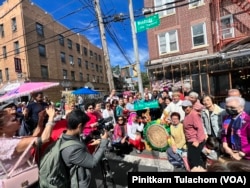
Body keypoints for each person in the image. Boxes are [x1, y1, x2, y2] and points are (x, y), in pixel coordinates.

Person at [0, 106, 56, 184]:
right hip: (18, 183)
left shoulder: (9, 139)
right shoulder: (7, 144)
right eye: (14, 120)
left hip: (25, 180)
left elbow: (34, 136)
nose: (18, 120)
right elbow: (43, 139)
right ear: (1, 128)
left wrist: (41, 120)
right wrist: (51, 117)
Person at [57, 109, 109, 187]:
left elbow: (77, 144)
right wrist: (104, 142)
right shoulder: (72, 149)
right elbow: (93, 162)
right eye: (84, 126)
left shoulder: (66, 136)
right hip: (81, 183)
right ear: (79, 126)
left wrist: (88, 138)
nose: (84, 128)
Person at [221, 96, 250, 160]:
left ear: (241, 108)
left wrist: (242, 153)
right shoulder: (226, 118)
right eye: (227, 107)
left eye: (232, 107)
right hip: (231, 153)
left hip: (245, 155)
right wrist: (225, 145)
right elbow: (224, 133)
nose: (229, 109)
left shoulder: (247, 121)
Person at [182, 100, 206, 170]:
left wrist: (198, 141)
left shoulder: (194, 115)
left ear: (191, 107)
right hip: (190, 140)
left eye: (187, 107)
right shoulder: (187, 114)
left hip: (195, 140)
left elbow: (200, 128)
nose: (185, 109)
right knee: (193, 159)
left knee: (194, 161)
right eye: (184, 107)